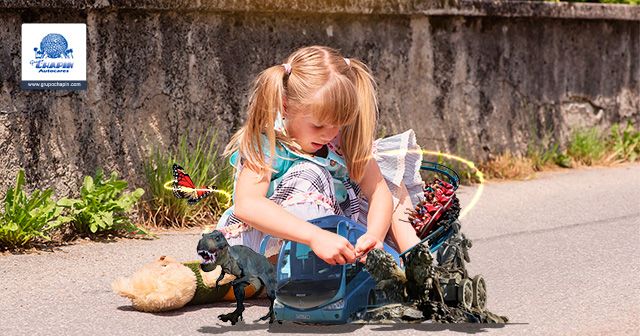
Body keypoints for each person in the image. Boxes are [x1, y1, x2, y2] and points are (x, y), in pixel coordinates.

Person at [216, 46, 425, 266]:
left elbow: (378, 190)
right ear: (285, 107)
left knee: (391, 178)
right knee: (310, 171)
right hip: (272, 238)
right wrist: (314, 236)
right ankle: (286, 269)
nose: (329, 134)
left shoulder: (340, 141)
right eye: (318, 126)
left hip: (332, 235)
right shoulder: (269, 142)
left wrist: (374, 235)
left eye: (338, 125)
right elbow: (247, 205)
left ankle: (415, 258)